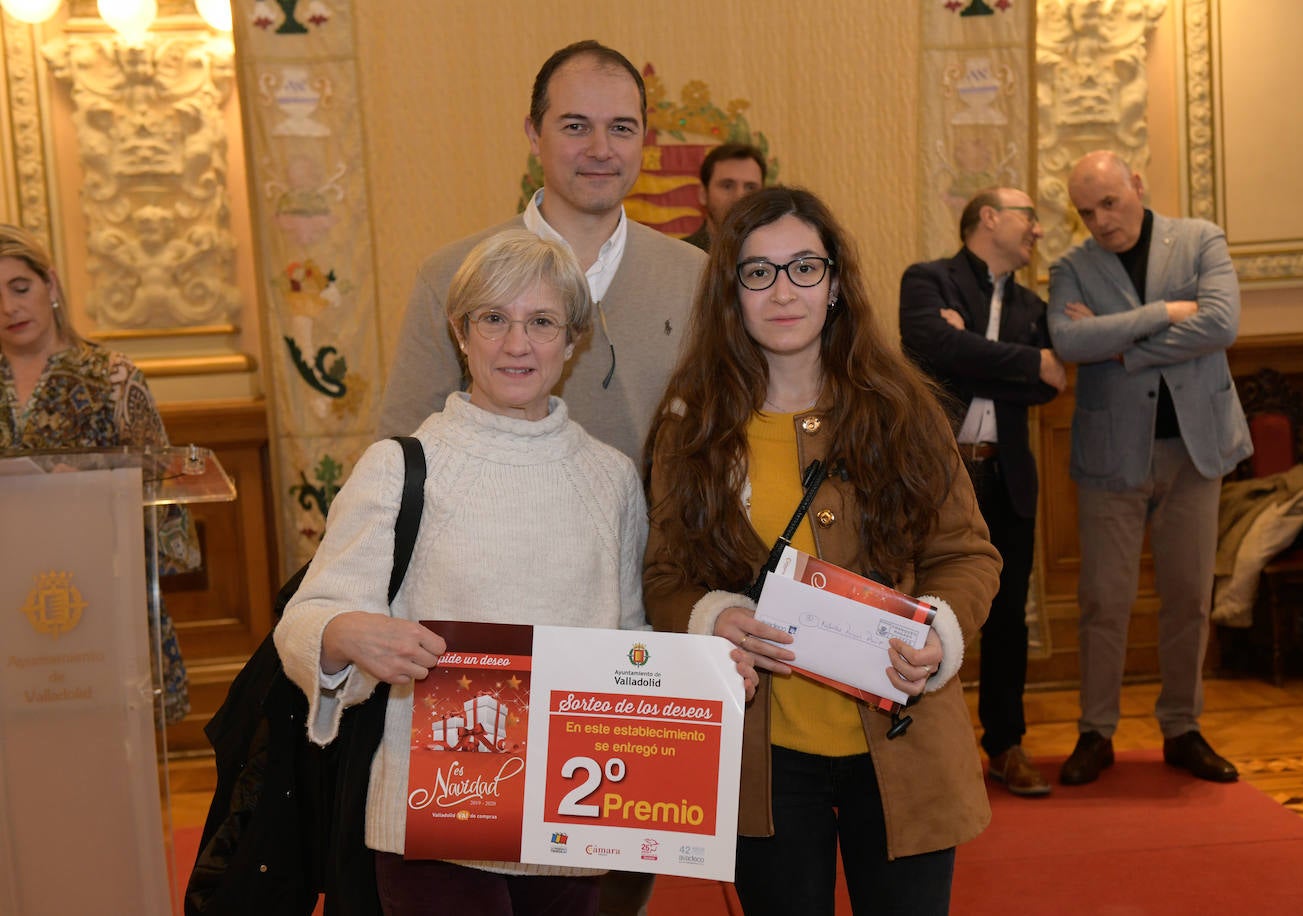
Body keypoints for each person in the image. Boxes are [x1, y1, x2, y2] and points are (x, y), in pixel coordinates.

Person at [643, 186, 1000, 916]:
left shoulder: (902, 410)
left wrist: (940, 630)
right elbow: (665, 578)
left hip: (904, 746)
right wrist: (711, 617)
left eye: (804, 268)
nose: (783, 291)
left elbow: (967, 554)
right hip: (765, 762)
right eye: (758, 272)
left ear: (835, 283)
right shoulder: (693, 425)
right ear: (730, 291)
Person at [275, 230, 650, 916]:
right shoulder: (401, 467)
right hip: (436, 822)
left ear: (572, 341)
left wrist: (696, 678)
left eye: (541, 322)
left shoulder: (612, 479)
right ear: (460, 334)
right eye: (493, 319)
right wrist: (350, 632)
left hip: (569, 817)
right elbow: (308, 618)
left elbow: (626, 638)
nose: (517, 344)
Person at [377, 39, 706, 470]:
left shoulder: (697, 277)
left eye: (621, 128)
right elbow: (405, 453)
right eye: (576, 126)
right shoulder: (450, 274)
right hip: (498, 534)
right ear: (534, 134)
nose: (601, 149)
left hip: (660, 537)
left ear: (644, 137)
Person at [1048, 150, 1252, 786]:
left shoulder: (1198, 239)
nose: (1101, 221)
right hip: (1112, 459)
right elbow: (1071, 342)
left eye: (1109, 202)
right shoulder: (1069, 267)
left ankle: (1182, 727)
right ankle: (1096, 731)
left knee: (1189, 596)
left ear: (1137, 184)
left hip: (1196, 451)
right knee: (1103, 601)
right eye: (1086, 212)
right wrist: (1165, 313)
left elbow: (1222, 322)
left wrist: (1123, 347)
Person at [899, 187, 1067, 798]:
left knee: (1006, 617)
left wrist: (972, 350)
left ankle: (1006, 745)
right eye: (1030, 218)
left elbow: (1050, 387)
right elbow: (930, 348)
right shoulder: (929, 280)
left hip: (1007, 476)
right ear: (990, 218)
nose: (1038, 232)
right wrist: (1025, 361)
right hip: (939, 478)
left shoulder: (1030, 304)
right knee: (919, 611)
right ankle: (917, 749)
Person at [0, 222, 197, 724]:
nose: (8, 308)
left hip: (99, 600)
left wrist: (92, 489)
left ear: (52, 284)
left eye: (20, 288)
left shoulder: (112, 376)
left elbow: (165, 496)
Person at [681, 143, 767, 251]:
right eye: (727, 186)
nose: (739, 197)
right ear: (703, 195)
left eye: (750, 188)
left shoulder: (777, 255)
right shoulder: (680, 256)